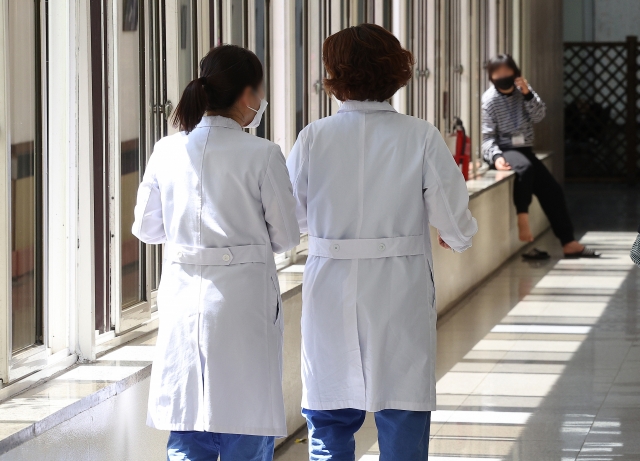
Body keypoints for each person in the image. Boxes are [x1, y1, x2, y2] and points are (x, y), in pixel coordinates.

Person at [286, 24, 478, 461]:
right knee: (402, 405)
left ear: (334, 75)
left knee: (330, 412)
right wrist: (456, 236)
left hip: (330, 282)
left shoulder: (313, 137)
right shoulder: (420, 135)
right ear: (397, 71)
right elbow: (451, 212)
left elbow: (292, 217)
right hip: (399, 283)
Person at [132, 45, 300, 461]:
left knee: (189, 428)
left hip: (184, 300)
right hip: (243, 306)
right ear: (246, 95)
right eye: (258, 92)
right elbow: (286, 236)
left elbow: (146, 228)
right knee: (245, 426)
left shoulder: (166, 151)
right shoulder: (262, 155)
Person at [482, 54, 599, 259]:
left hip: (525, 149)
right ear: (491, 77)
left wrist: (527, 94)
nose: (502, 77)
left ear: (516, 73)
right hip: (505, 149)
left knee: (553, 191)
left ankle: (569, 242)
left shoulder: (524, 92)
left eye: (506, 72)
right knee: (525, 169)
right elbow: (487, 136)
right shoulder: (490, 99)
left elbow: (539, 116)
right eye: (497, 74)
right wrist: (496, 157)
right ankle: (522, 217)